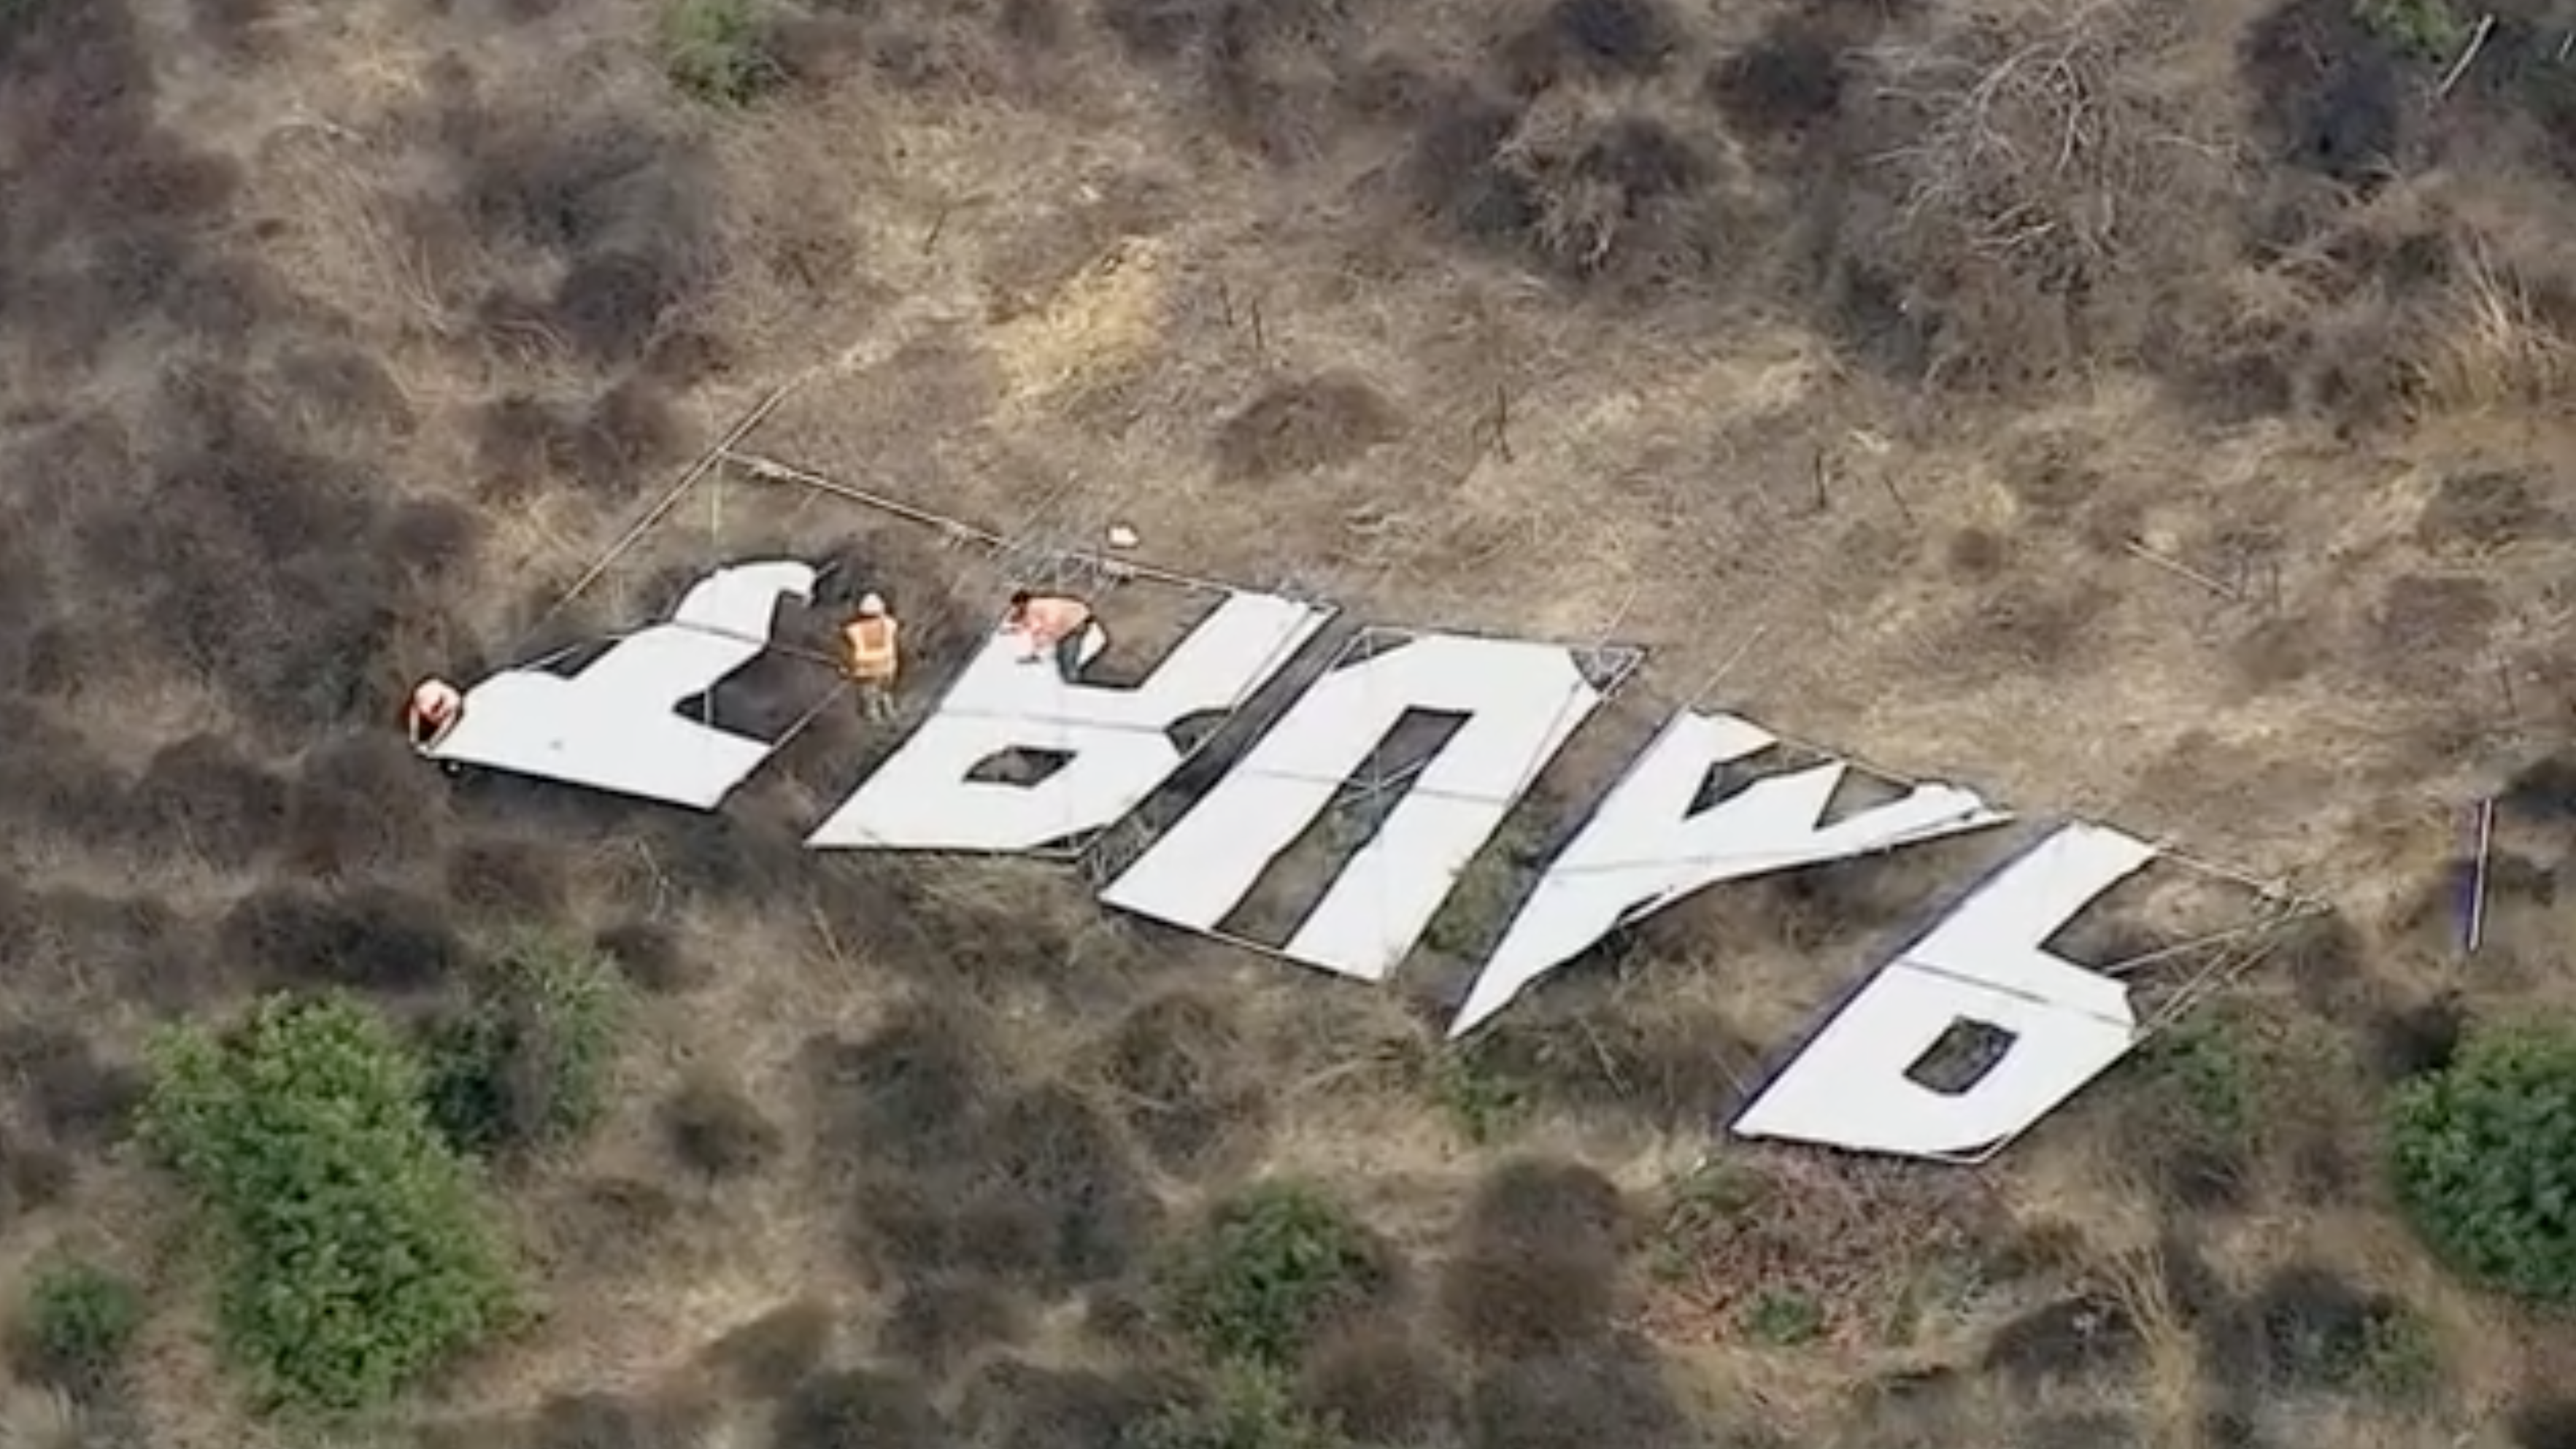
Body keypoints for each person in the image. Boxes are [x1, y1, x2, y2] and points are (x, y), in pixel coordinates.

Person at [1003, 589, 1103, 681]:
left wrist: (1037, 651)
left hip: (1077, 621)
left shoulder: (1038, 606)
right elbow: (1031, 623)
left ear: (1022, 603)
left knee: (1067, 658)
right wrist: (1016, 629)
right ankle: (1071, 679)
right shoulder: (1034, 606)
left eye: (1017, 606)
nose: (1017, 609)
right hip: (1075, 618)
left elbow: (1047, 628)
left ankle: (1073, 683)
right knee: (1062, 656)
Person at [841, 592, 901, 722]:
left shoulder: (853, 629)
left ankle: (875, 721)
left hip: (866, 669)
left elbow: (849, 652)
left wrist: (846, 668)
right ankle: (891, 715)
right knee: (885, 692)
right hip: (888, 666)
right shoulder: (890, 624)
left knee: (870, 697)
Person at [406, 678, 464, 751]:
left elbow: (446, 726)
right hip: (425, 708)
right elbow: (414, 711)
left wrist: (432, 744)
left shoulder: (454, 702)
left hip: (441, 719)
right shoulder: (424, 691)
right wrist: (413, 735)